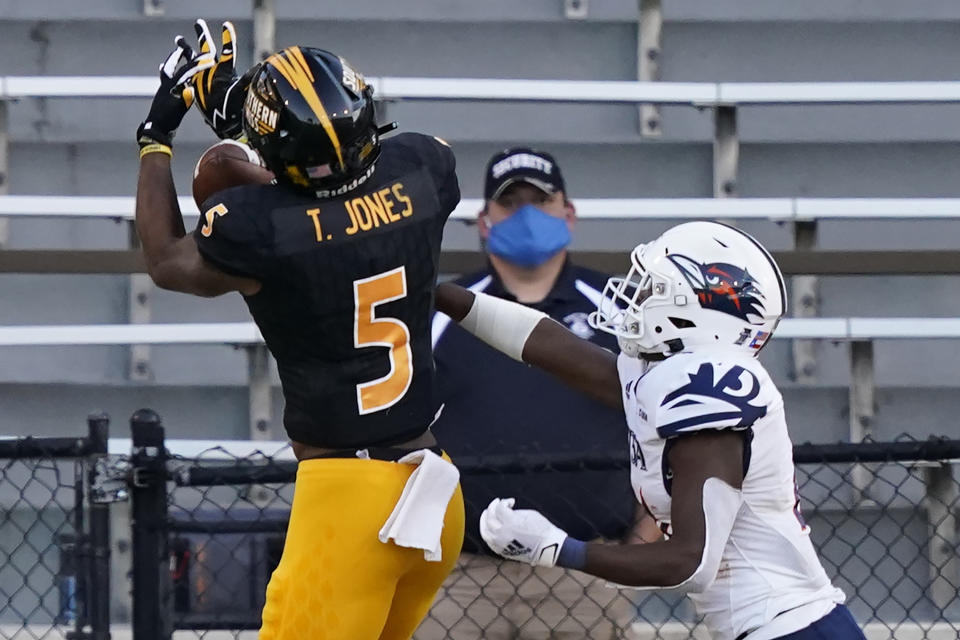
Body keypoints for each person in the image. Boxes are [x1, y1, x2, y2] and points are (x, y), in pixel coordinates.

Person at [134, 20, 464, 640]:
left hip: (349, 499)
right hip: (435, 489)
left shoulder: (263, 231)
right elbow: (330, 198)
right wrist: (245, 116)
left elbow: (167, 259)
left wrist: (156, 136)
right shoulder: (425, 169)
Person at [434, 221, 868, 640]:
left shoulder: (709, 390)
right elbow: (552, 346)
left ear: (696, 308)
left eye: (652, 289)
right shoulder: (673, 373)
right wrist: (434, 294)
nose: (635, 298)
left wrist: (555, 547)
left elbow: (689, 562)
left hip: (791, 628)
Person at [421, 148, 657, 639]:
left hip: (584, 573)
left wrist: (638, 547)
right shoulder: (440, 313)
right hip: (461, 578)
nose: (527, 214)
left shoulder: (623, 312)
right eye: (511, 204)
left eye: (540, 201)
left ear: (568, 214)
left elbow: (667, 424)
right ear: (485, 222)